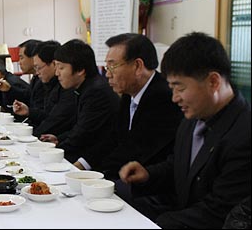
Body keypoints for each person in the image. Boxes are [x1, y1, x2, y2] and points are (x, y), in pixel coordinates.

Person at [119, 32, 251, 229]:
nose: (174, 98)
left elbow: (219, 212)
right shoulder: (193, 116)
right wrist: (148, 174)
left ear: (213, 82)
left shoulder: (244, 133)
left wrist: (157, 223)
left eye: (179, 88)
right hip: (180, 211)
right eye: (171, 88)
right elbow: (180, 165)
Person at [99, 33, 183, 204]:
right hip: (131, 177)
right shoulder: (129, 93)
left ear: (137, 66)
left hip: (155, 188)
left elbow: (138, 149)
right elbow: (114, 139)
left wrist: (97, 175)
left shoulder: (164, 97)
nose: (108, 74)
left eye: (112, 66)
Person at [40, 39, 119, 170]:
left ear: (80, 69)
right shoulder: (85, 87)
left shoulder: (96, 92)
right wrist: (58, 139)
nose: (57, 73)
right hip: (88, 152)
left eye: (61, 67)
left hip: (100, 161)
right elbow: (79, 127)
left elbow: (83, 135)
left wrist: (52, 151)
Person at [12, 41, 76, 137]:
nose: (37, 73)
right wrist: (29, 111)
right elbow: (48, 115)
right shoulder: (48, 82)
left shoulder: (67, 87)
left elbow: (55, 120)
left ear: (53, 64)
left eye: (61, 68)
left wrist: (32, 137)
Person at [17, 39, 45, 111]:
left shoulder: (44, 79)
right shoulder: (35, 77)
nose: (19, 62)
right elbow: (27, 96)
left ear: (34, 57)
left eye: (21, 58)